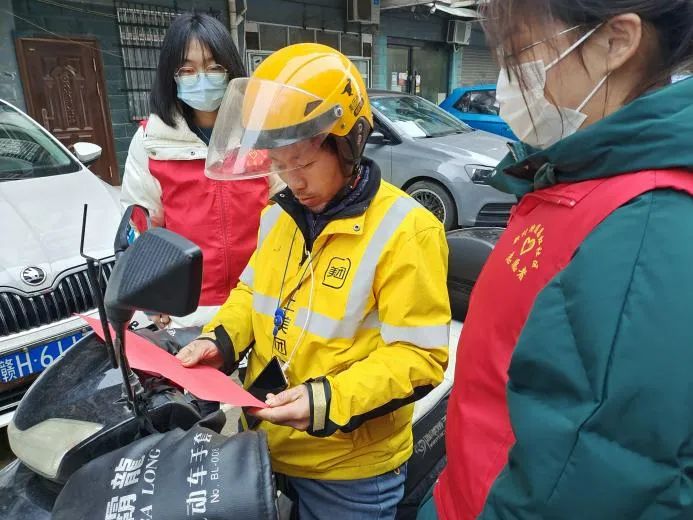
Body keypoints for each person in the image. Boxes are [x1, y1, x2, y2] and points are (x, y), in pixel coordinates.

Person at [421, 1, 693, 519]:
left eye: (517, 53)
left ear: (616, 42)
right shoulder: (580, 178)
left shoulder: (645, 225)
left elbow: (594, 480)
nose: (506, 80)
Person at [176, 43, 450, 519]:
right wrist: (219, 340)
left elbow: (419, 358)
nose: (292, 180)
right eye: (278, 164)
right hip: (266, 445)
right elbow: (252, 294)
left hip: (349, 473)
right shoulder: (278, 217)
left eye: (302, 163)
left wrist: (326, 400)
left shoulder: (407, 230)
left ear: (349, 143)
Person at [120, 12, 282, 328]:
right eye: (187, 69)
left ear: (231, 69)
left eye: (214, 67)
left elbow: (287, 208)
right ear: (171, 75)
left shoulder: (258, 132)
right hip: (189, 311)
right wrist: (150, 294)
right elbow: (140, 225)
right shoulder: (153, 140)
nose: (202, 78)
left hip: (261, 299)